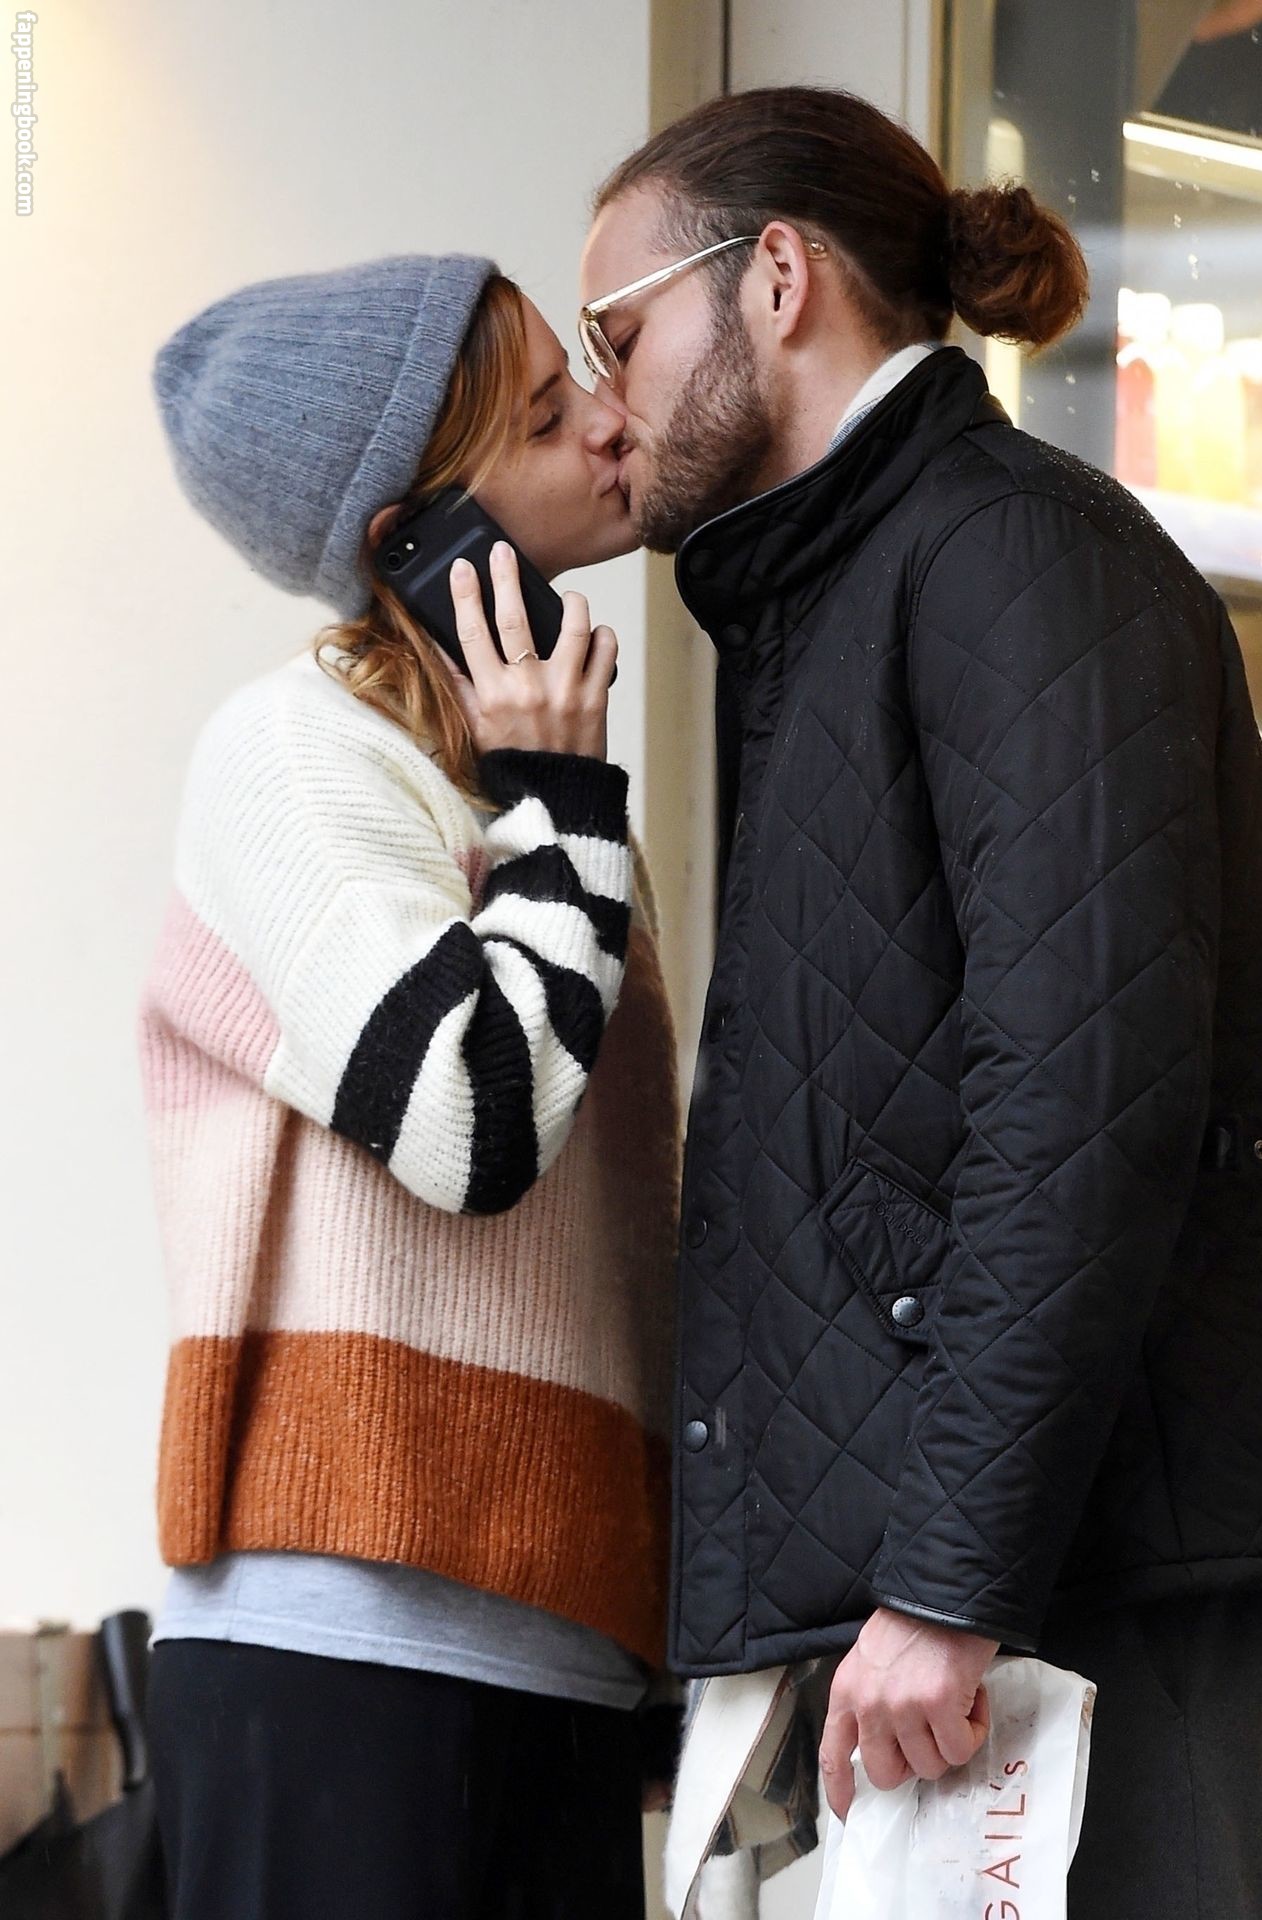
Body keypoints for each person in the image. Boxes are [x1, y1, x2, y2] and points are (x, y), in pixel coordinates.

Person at [578, 86, 1262, 1919]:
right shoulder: (845, 590)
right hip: (1028, 1565)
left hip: (1107, 1574)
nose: (603, 402)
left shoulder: (1011, 555)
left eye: (616, 334)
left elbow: (1083, 1089)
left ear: (776, 279)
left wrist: (945, 1578)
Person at [140, 254, 681, 1920]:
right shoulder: (298, 756)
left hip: (550, 1639)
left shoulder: (511, 793)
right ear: (415, 539)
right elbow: (471, 1121)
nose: (611, 425)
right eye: (546, 417)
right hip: (346, 1646)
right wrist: (563, 804)